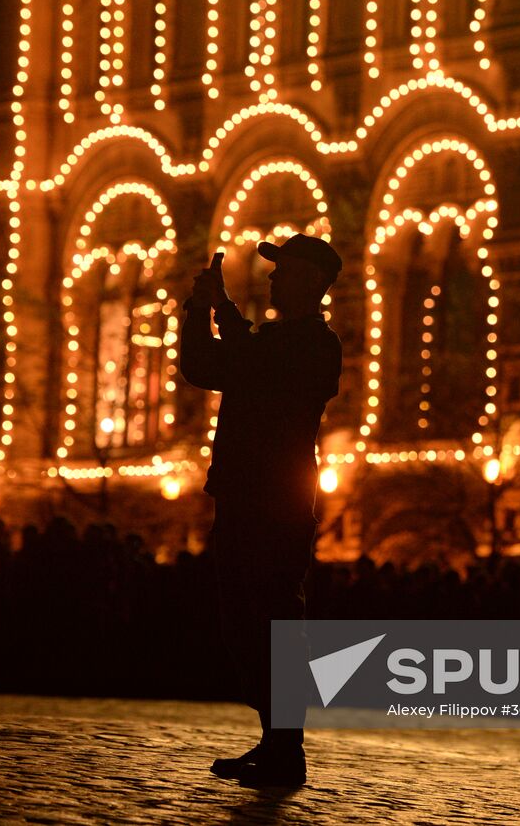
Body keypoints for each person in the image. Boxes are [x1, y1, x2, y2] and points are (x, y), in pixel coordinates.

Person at [179, 233, 343, 788]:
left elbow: (250, 362)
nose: (272, 279)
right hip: (245, 493)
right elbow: (206, 364)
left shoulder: (316, 345)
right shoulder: (272, 341)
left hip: (277, 500)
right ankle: (275, 740)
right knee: (244, 621)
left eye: (283, 270)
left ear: (312, 282)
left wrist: (221, 309)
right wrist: (199, 311)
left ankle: (286, 750)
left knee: (274, 622)